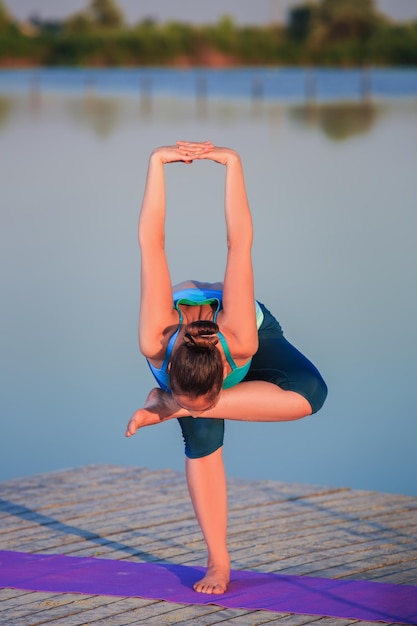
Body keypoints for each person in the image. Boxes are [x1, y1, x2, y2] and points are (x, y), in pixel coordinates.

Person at [125, 141, 327, 595]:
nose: (202, 407)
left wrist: (233, 163)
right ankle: (218, 561)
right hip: (181, 367)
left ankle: (169, 407)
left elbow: (240, 241)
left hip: (248, 325)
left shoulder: (240, 339)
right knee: (202, 440)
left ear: (225, 373)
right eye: (187, 400)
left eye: (203, 403)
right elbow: (150, 241)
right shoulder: (156, 339)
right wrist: (156, 163)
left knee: (311, 393)